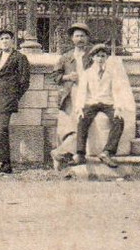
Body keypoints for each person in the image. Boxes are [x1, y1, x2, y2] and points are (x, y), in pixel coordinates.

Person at [0, 29, 31, 174]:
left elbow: (24, 81)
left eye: (7, 38)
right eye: (2, 39)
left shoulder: (20, 58)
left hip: (7, 98)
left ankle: (4, 163)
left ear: (12, 41)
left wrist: (14, 96)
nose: (5, 41)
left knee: (2, 129)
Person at [72, 44, 130, 168]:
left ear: (106, 58)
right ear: (93, 58)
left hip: (107, 102)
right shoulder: (87, 73)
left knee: (119, 120)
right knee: (82, 120)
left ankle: (107, 152)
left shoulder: (111, 73)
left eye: (103, 56)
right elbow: (82, 91)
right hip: (92, 102)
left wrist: (118, 107)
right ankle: (80, 154)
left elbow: (117, 90)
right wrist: (79, 108)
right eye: (97, 56)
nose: (100, 59)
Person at [51, 22, 95, 171]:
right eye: (77, 36)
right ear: (72, 38)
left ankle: (61, 153)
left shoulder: (93, 56)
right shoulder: (66, 57)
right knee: (68, 128)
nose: (80, 39)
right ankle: (64, 156)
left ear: (87, 38)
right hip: (70, 95)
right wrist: (68, 77)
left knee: (82, 126)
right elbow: (55, 77)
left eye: (83, 35)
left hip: (88, 94)